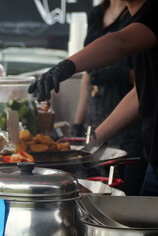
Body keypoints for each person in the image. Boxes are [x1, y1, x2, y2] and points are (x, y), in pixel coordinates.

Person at [28, 0, 158, 195]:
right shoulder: (127, 17)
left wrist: (67, 67)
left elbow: (120, 42)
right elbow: (140, 94)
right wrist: (91, 143)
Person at [72, 0, 146, 195]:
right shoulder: (96, 14)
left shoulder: (139, 16)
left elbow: (143, 82)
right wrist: (78, 123)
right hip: (97, 117)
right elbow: (88, 76)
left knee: (126, 196)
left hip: (130, 124)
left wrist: (121, 73)